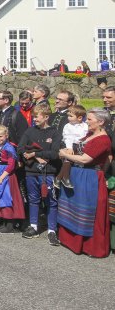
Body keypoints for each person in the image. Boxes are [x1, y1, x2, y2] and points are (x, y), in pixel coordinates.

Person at [58, 108, 112, 258]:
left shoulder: (102, 139)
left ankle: (88, 246)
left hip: (89, 176)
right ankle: (71, 241)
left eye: (89, 119)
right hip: (77, 173)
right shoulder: (89, 134)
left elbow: (85, 159)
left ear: (101, 122)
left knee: (87, 210)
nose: (86, 122)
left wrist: (63, 153)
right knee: (73, 206)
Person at [17, 104, 62, 246]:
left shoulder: (55, 132)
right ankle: (34, 226)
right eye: (34, 116)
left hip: (49, 172)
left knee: (51, 201)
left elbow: (55, 153)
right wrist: (35, 158)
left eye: (37, 116)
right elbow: (20, 148)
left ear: (46, 117)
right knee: (33, 199)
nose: (34, 119)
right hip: (32, 171)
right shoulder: (30, 131)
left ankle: (52, 231)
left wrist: (35, 153)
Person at [0, 126, 25, 234]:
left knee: (7, 197)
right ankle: (3, 219)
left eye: (1, 136)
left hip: (7, 175)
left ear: (6, 136)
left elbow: (11, 165)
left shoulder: (9, 147)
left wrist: (1, 177)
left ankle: (10, 224)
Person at [54, 105, 88, 189]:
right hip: (70, 145)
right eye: (68, 115)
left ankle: (59, 178)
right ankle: (65, 178)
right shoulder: (67, 126)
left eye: (71, 116)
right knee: (69, 158)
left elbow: (86, 136)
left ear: (79, 118)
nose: (68, 118)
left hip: (82, 145)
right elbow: (67, 137)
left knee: (70, 159)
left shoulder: (85, 126)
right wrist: (69, 147)